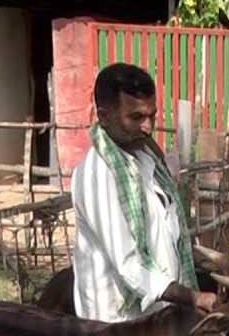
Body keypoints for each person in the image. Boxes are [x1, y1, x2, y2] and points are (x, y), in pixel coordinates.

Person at [71, 63, 213, 322]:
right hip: (115, 327)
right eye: (136, 117)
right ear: (103, 116)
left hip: (158, 317)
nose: (148, 127)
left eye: (152, 115)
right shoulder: (98, 174)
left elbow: (168, 235)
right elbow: (130, 266)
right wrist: (194, 297)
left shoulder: (147, 159)